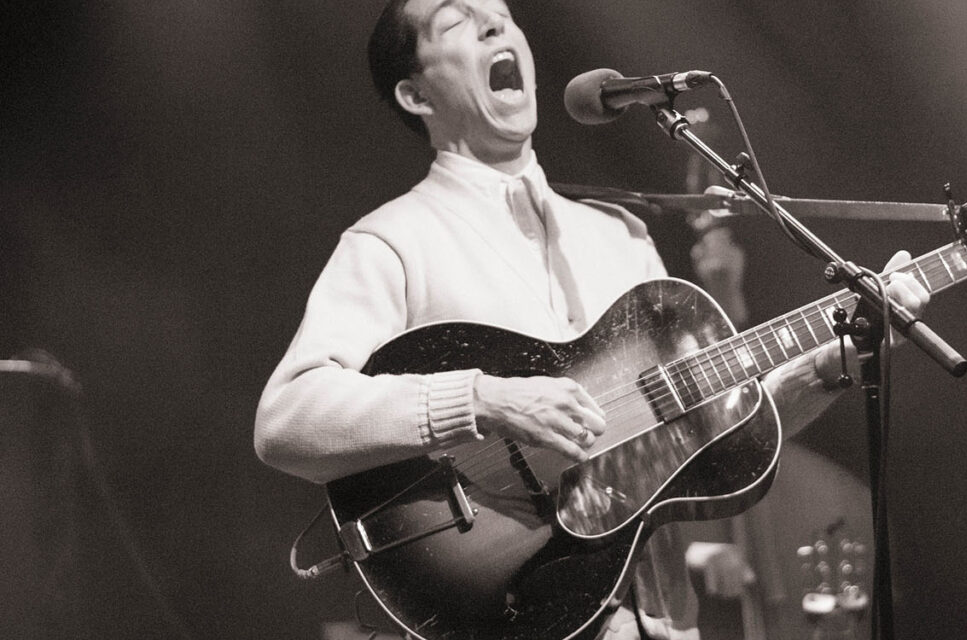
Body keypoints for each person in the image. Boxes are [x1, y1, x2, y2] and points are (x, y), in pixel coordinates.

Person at [253, 1, 930, 638]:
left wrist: (827, 368)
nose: (496, 26)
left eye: (504, 15)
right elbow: (288, 420)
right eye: (459, 20)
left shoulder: (620, 234)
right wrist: (483, 398)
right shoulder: (393, 241)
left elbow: (706, 437)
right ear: (415, 94)